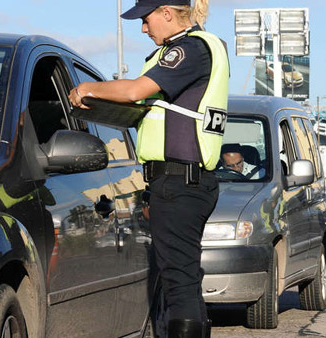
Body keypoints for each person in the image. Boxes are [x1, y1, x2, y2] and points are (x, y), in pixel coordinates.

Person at [68, 1, 229, 337]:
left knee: (179, 282)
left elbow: (135, 90)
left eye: (146, 19)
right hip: (181, 181)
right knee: (183, 279)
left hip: (180, 181)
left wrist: (88, 89)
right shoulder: (193, 47)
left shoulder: (189, 49)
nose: (144, 28)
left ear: (167, 13)